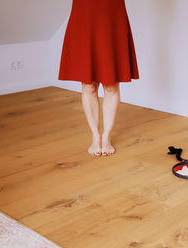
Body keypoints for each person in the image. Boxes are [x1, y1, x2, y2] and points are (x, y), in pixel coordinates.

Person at [58, 0, 139, 156]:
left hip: (112, 12)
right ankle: (95, 136)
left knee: (111, 84)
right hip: (84, 11)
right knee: (88, 85)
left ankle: (106, 136)